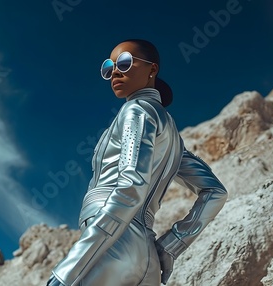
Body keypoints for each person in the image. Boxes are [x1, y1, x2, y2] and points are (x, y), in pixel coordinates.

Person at [46, 39, 228, 286]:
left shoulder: (136, 110)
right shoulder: (173, 140)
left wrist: (69, 269)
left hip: (110, 245)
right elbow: (215, 192)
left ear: (152, 69)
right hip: (148, 258)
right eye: (109, 67)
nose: (115, 72)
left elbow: (131, 186)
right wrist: (170, 246)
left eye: (124, 62)